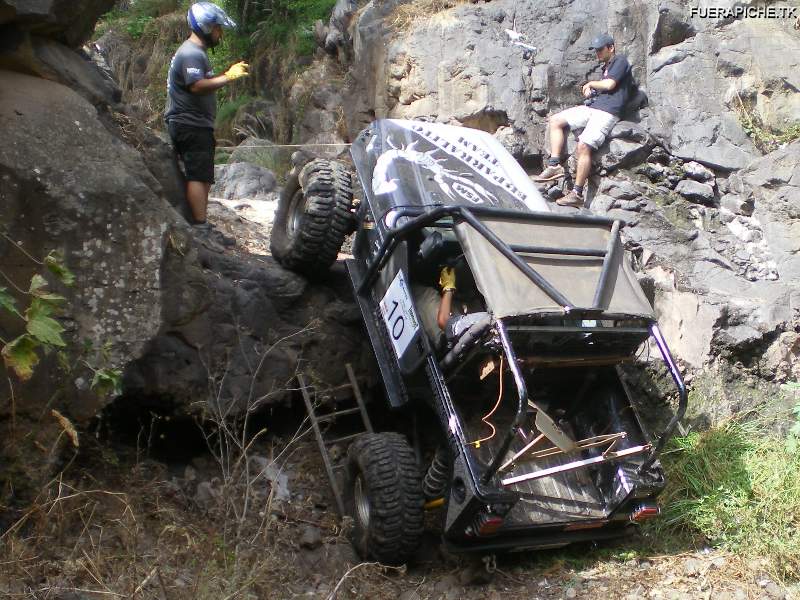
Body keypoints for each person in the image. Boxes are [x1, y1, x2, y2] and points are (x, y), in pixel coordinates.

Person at [165, 2, 250, 244]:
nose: (220, 33)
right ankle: (200, 228)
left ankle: (201, 224)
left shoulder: (196, 52)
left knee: (202, 174)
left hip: (195, 123)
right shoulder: (191, 53)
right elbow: (196, 85)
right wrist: (228, 76)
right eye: (217, 28)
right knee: (198, 174)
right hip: (189, 123)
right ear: (205, 27)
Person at [533, 33, 633, 208]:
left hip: (608, 112)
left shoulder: (620, 61)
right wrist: (592, 93)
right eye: (596, 51)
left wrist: (591, 84)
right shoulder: (606, 68)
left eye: (600, 50)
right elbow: (605, 88)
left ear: (611, 48)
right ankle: (555, 164)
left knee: (583, 145)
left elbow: (610, 85)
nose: (598, 54)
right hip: (594, 108)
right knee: (556, 120)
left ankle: (577, 194)